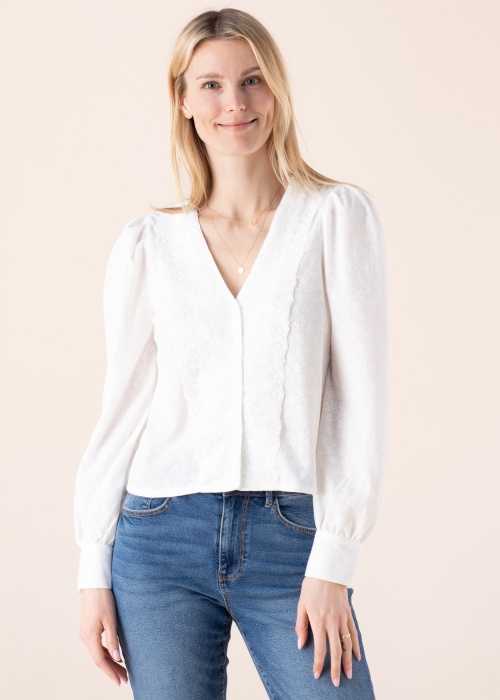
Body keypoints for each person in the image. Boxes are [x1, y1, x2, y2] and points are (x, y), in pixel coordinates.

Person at [74, 7, 389, 699]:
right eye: (211, 85)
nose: (235, 103)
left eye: (252, 80)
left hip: (292, 536)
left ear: (276, 88)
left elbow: (359, 399)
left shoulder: (336, 219)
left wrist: (334, 558)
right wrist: (93, 566)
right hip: (158, 541)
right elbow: (122, 408)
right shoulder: (148, 246)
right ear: (184, 101)